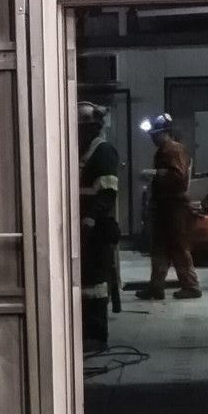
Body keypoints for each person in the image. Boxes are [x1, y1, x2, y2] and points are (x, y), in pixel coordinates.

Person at [139, 111, 201, 301]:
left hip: (174, 207)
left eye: (155, 135)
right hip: (165, 207)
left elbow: (178, 177)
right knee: (159, 248)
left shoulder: (173, 150)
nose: (153, 139)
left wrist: (156, 174)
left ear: (164, 132)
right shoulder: (164, 151)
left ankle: (191, 286)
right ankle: (156, 287)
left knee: (178, 247)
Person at [77, 101, 121, 345]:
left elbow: (107, 191)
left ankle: (96, 334)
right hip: (85, 226)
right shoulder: (84, 151)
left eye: (81, 129)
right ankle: (86, 332)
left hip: (97, 227)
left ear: (92, 128)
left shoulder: (103, 152)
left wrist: (91, 218)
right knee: (85, 279)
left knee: (96, 282)